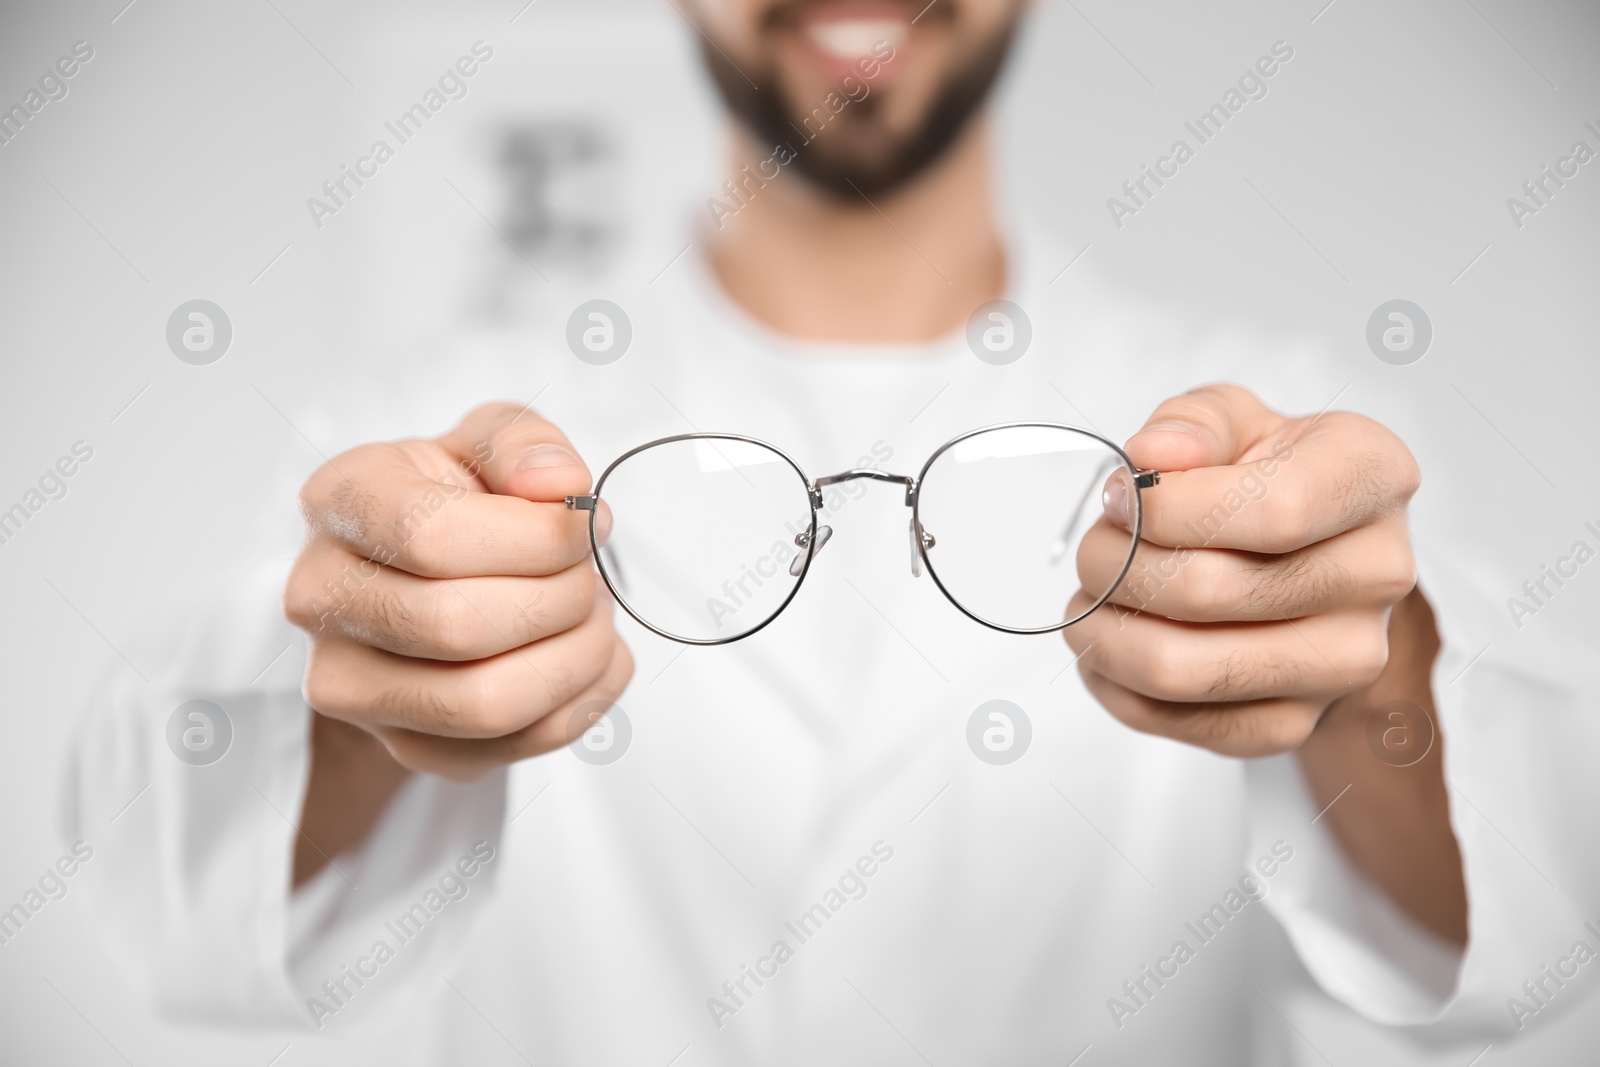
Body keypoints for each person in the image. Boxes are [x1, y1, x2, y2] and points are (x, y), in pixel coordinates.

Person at [70, 0, 1592, 1062]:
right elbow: (156, 870)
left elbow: (1547, 919)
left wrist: (1370, 686)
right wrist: (367, 708)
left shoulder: (1277, 428)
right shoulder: (439, 427)